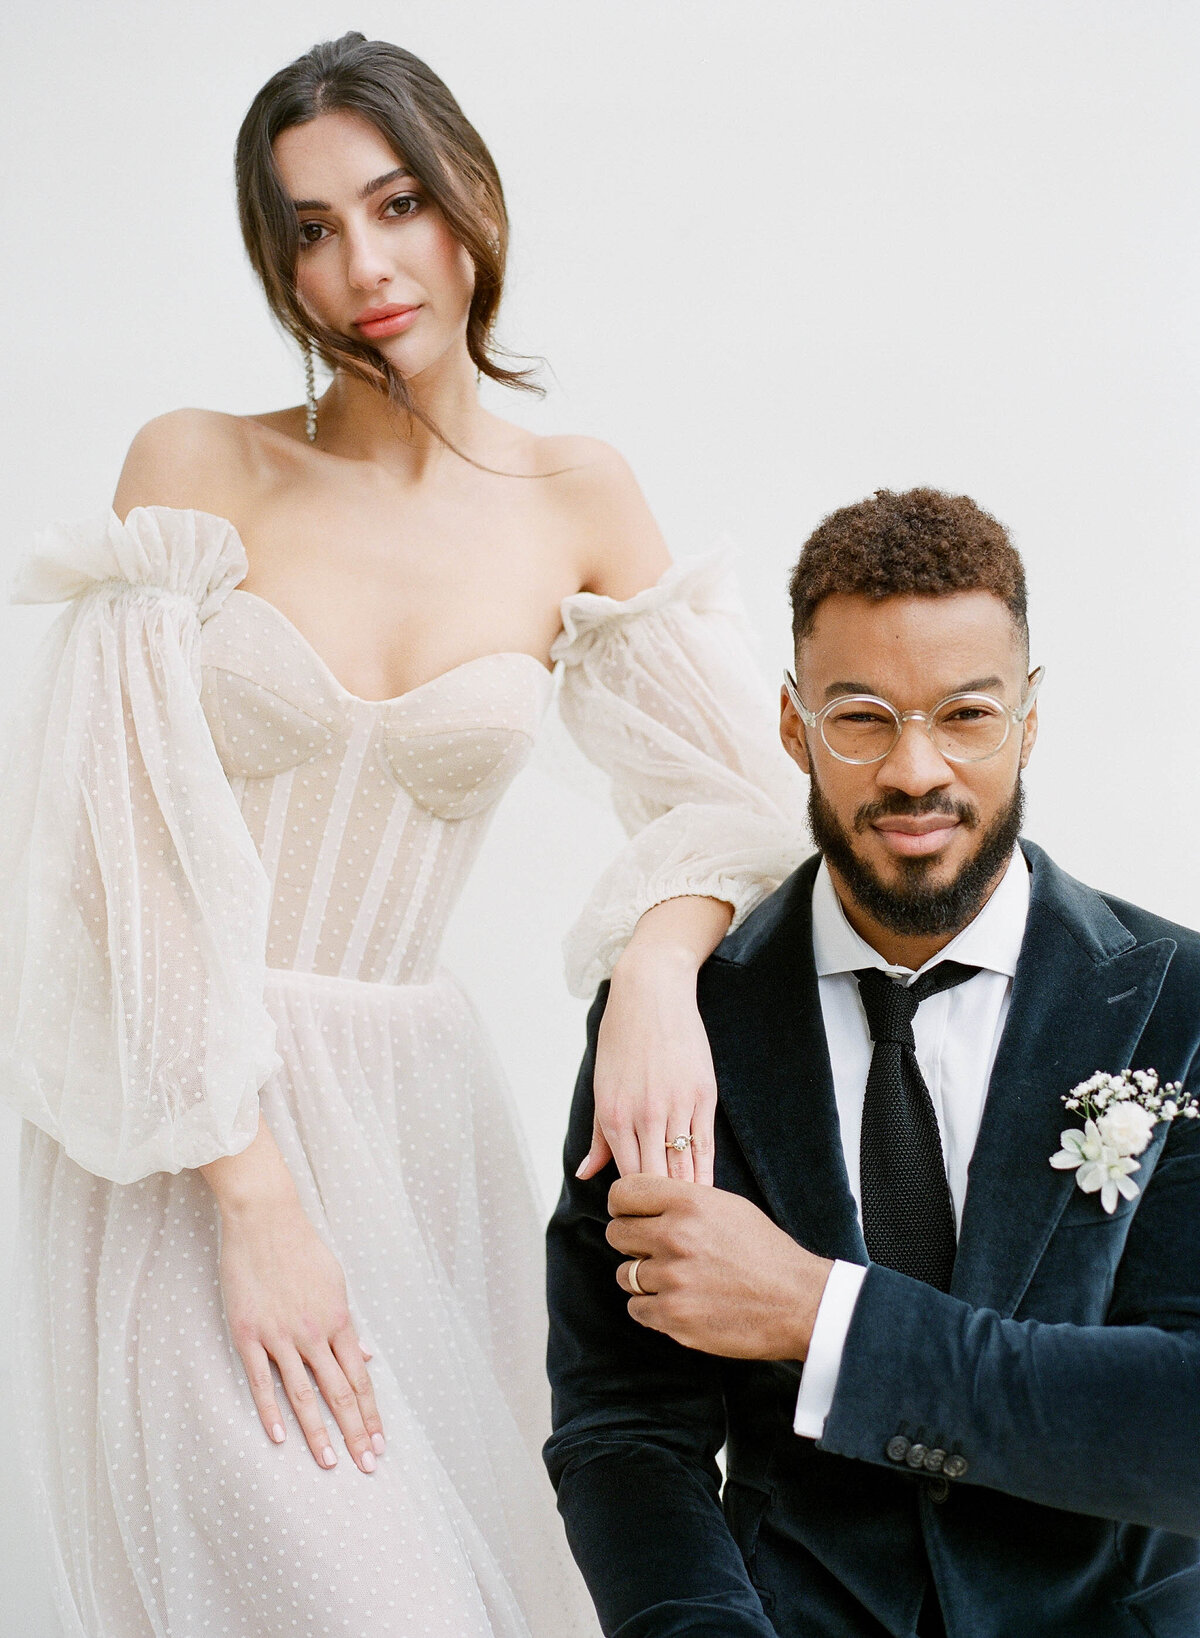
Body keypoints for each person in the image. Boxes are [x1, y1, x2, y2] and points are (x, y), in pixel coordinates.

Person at [0, 33, 805, 1638]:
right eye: (309, 228)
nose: (362, 264)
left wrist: (655, 966)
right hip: (184, 1130)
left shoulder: (576, 496)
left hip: (417, 1132)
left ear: (467, 203)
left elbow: (745, 800)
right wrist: (253, 1194)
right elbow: (108, 861)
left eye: (394, 204)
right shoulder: (195, 467)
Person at [546, 486, 1200, 1638]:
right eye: (862, 719)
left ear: (1029, 722)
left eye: (965, 715)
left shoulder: (1179, 1006)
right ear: (795, 726)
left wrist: (818, 1314)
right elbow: (624, 1424)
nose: (913, 772)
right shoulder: (677, 1026)